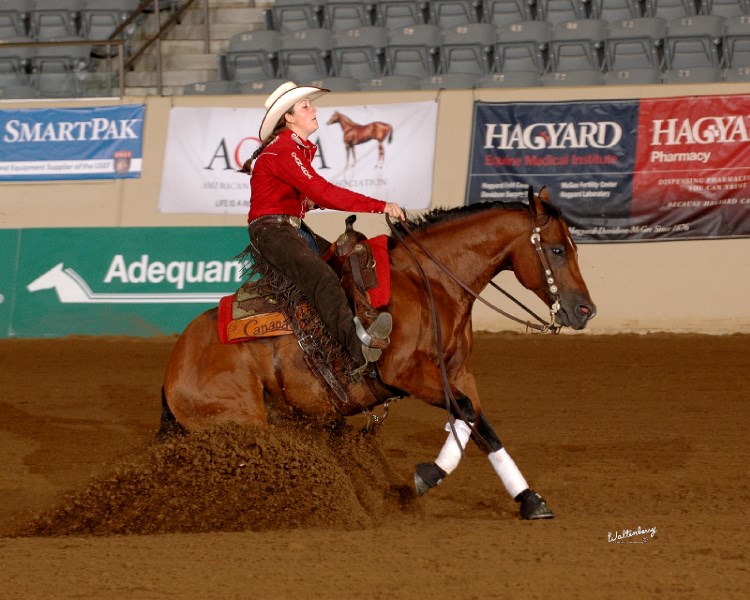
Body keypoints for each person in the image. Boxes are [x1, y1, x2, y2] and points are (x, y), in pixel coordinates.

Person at [244, 81, 406, 368]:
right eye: (305, 106)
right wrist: (379, 205)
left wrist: (309, 204)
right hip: (273, 232)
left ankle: (353, 331)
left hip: (287, 228)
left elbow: (299, 198)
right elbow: (324, 192)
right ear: (289, 118)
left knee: (343, 264)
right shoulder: (284, 150)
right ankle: (358, 352)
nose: (314, 109)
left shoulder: (291, 150)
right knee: (322, 278)